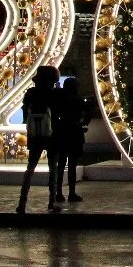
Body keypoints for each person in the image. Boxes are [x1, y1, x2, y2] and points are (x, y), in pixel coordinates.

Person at [17, 65, 63, 213]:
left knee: (30, 168)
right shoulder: (54, 94)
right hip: (52, 134)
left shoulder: (31, 93)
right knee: (53, 168)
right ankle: (51, 201)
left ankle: (22, 202)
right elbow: (57, 113)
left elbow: (25, 110)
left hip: (35, 134)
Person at [53, 78, 89, 204]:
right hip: (74, 132)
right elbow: (88, 113)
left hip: (63, 132)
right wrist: (83, 123)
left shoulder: (61, 100)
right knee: (72, 164)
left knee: (61, 164)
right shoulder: (78, 100)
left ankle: (58, 192)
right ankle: (71, 192)